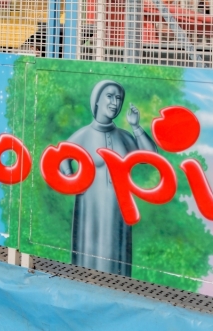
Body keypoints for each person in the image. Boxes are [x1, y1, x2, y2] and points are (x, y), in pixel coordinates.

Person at [62, 80, 159, 276]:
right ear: (97, 100)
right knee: (88, 259)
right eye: (110, 96)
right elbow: (61, 157)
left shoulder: (124, 137)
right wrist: (72, 180)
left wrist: (136, 126)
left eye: (119, 98)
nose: (115, 102)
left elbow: (151, 156)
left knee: (118, 260)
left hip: (120, 211)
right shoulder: (84, 135)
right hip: (91, 210)